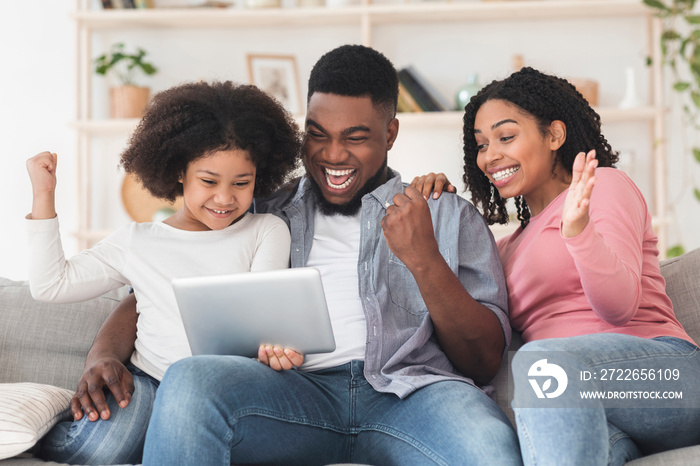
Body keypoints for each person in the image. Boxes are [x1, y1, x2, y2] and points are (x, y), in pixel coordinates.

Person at [73, 44, 519, 464]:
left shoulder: (446, 215)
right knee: (191, 380)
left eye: (356, 137)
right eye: (318, 135)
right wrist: (102, 357)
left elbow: (483, 360)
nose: (333, 155)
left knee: (487, 446)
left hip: (412, 393)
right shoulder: (258, 211)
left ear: (391, 133)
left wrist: (424, 259)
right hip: (289, 392)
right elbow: (149, 291)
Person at [25, 80, 301, 464]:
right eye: (209, 181)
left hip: (226, 388)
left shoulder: (266, 231)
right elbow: (50, 285)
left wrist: (276, 345)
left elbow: (260, 316)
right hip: (147, 384)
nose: (225, 198)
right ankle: (46, 431)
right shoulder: (137, 241)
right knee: (103, 449)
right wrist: (44, 197)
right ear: (178, 172)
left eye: (242, 183)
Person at [458, 66, 700, 465]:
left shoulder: (601, 187)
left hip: (665, 378)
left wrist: (578, 230)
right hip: (580, 404)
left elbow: (620, 305)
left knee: (542, 364)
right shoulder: (503, 250)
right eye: (481, 144)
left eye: (506, 136)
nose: (490, 155)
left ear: (554, 135)